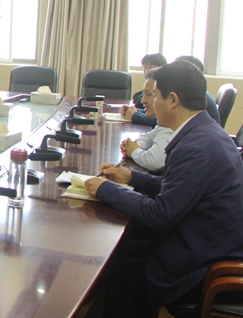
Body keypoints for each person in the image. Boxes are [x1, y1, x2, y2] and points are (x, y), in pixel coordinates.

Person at [84, 61, 243, 317]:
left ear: (173, 100)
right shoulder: (205, 132)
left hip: (201, 265)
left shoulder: (196, 147)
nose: (149, 102)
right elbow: (181, 187)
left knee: (118, 272)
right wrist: (132, 177)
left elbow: (160, 213)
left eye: (155, 95)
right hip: (204, 242)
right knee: (118, 252)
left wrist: (106, 189)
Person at [121, 54, 220, 126]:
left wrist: (135, 116)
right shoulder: (195, 93)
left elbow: (165, 118)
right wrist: (136, 111)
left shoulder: (193, 96)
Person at [120, 68, 172, 173]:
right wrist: (138, 145)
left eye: (149, 95)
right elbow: (148, 137)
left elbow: (153, 161)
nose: (143, 100)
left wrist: (134, 151)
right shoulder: (166, 122)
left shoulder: (172, 125)